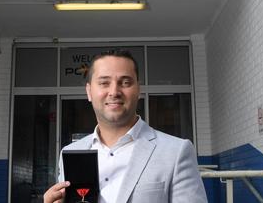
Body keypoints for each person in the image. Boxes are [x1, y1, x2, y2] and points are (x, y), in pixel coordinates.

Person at [43, 49, 207, 203]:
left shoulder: (176, 152)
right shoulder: (71, 154)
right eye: (104, 83)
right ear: (89, 92)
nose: (114, 91)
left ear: (138, 90)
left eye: (125, 82)